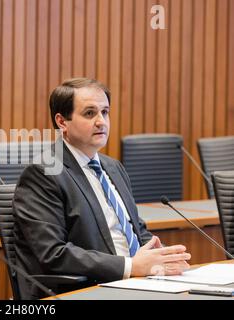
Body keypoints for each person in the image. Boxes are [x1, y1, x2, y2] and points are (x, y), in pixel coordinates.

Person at [13, 78, 191, 299]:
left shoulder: (112, 167)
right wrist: (130, 266)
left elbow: (137, 231)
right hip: (88, 288)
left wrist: (164, 256)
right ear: (62, 121)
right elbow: (54, 254)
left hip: (136, 283)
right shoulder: (44, 173)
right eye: (90, 113)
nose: (101, 121)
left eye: (105, 112)